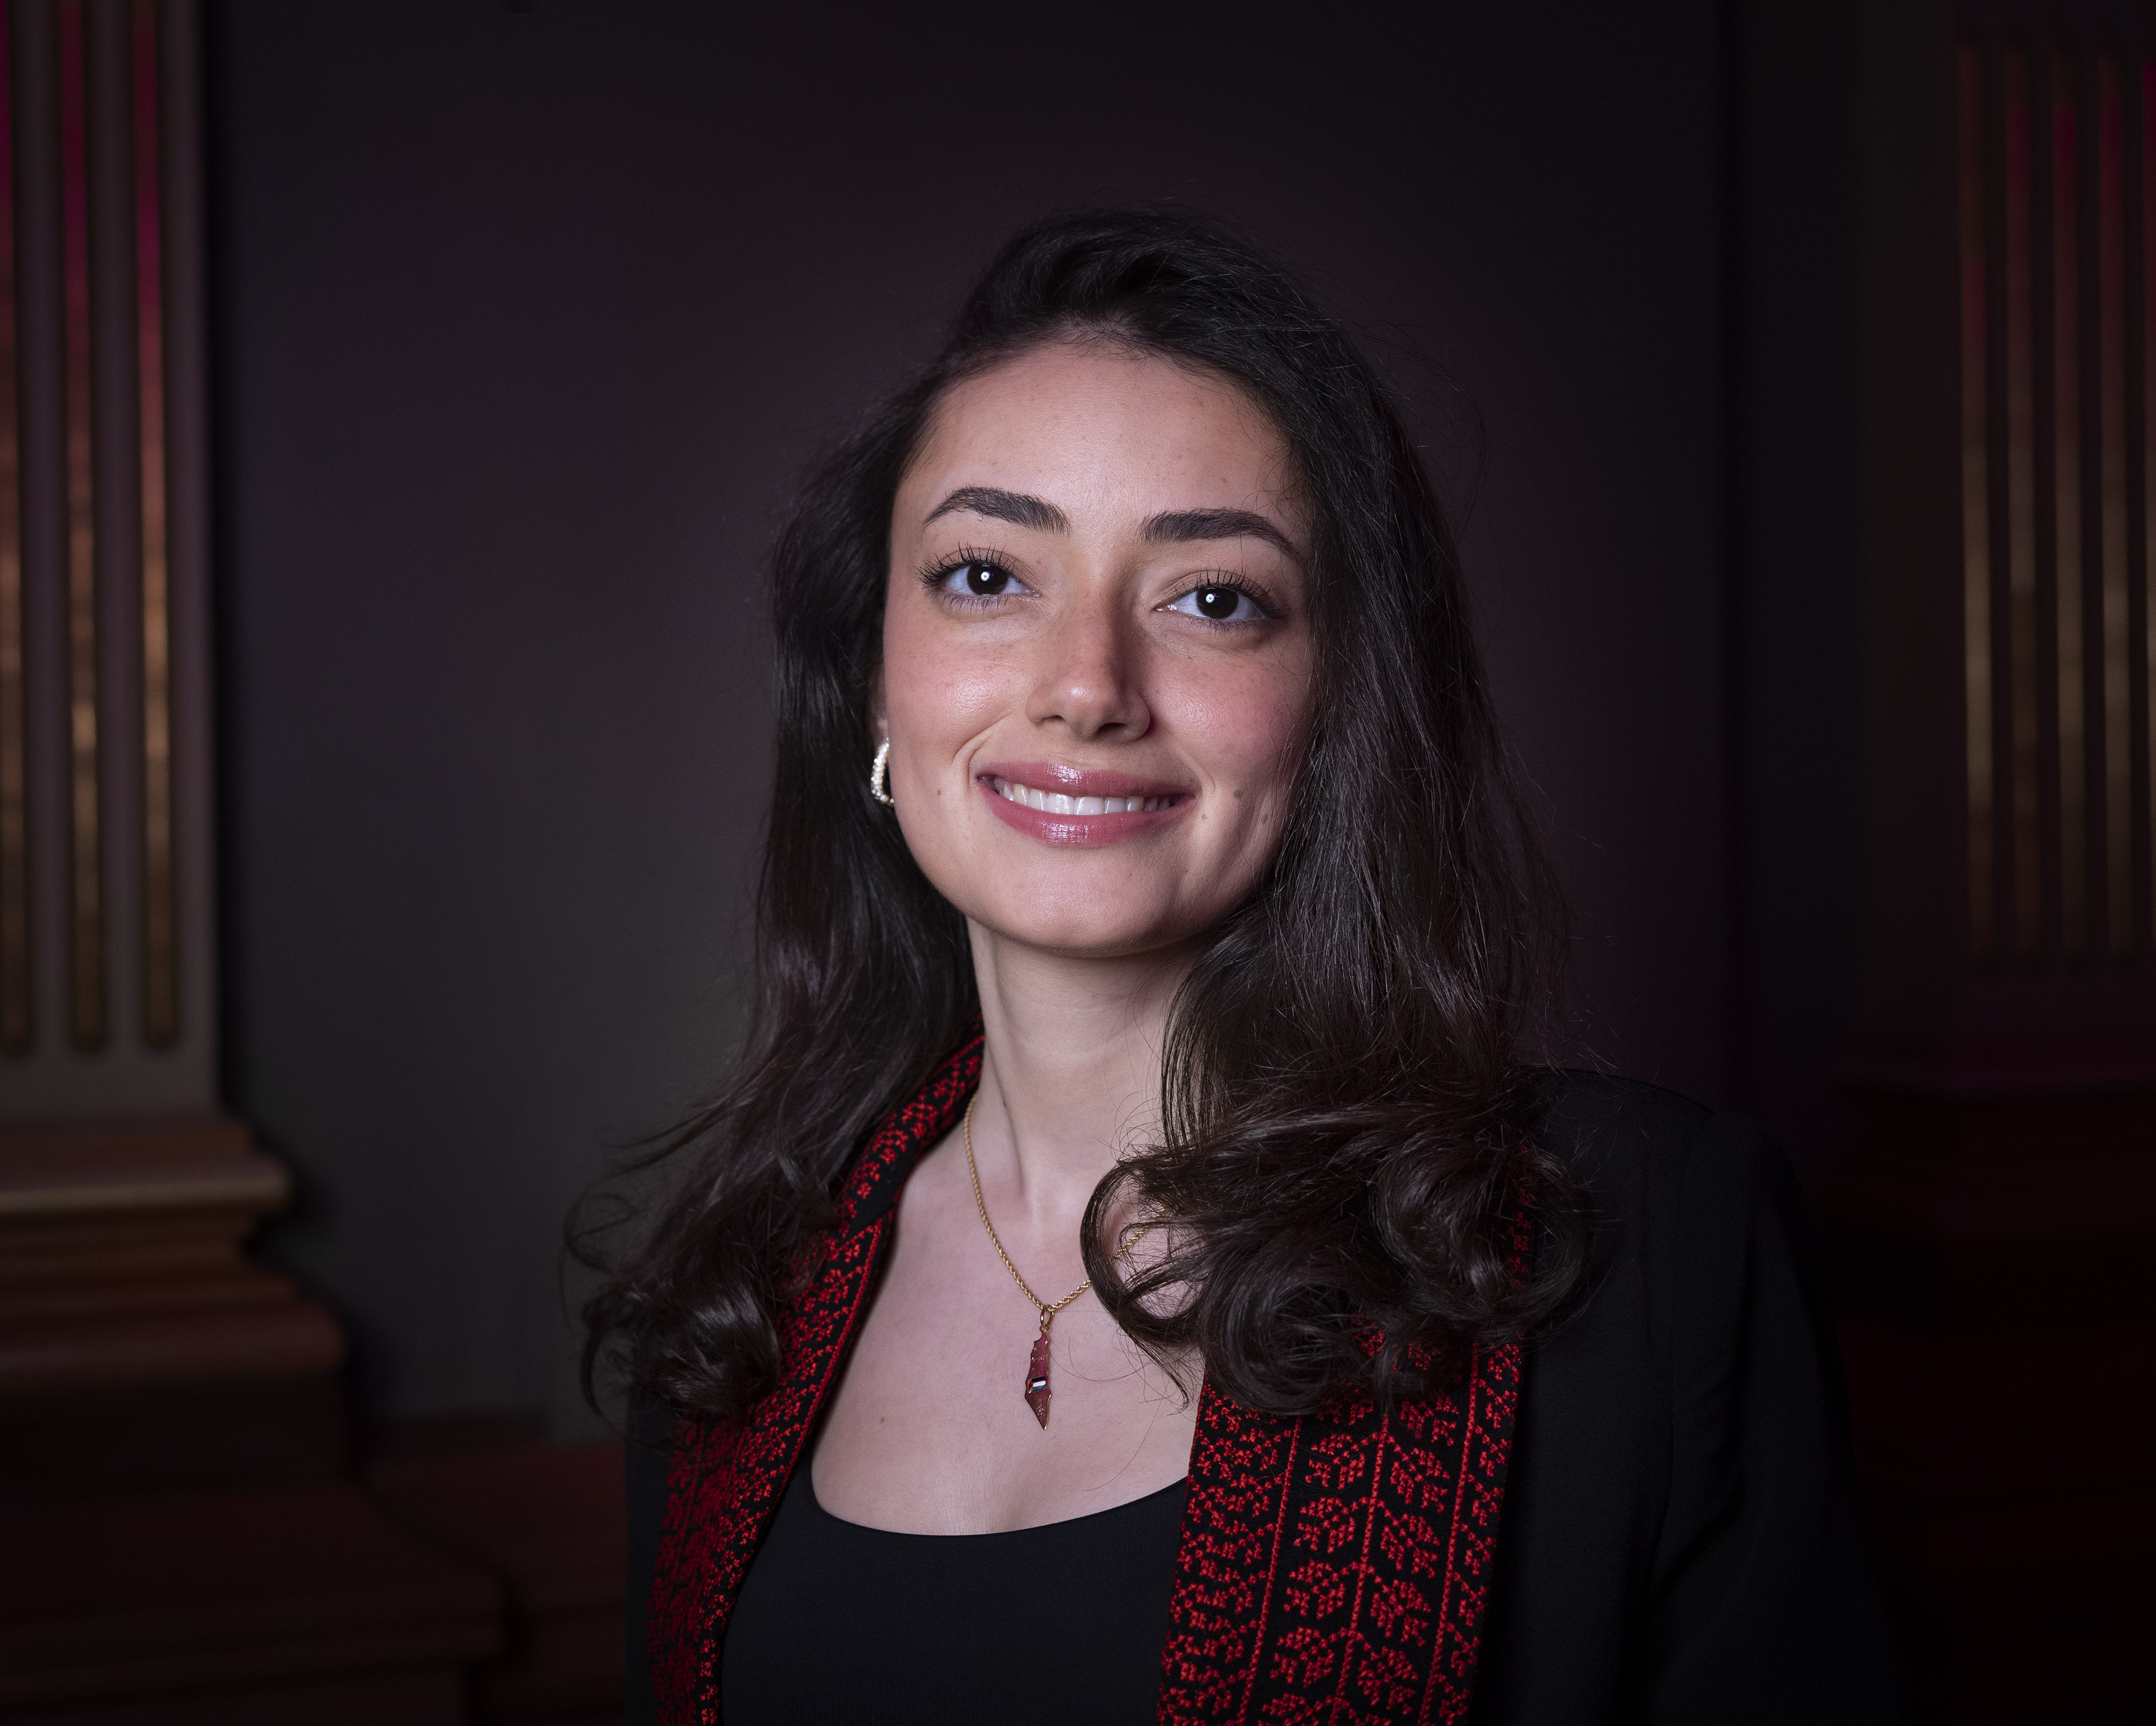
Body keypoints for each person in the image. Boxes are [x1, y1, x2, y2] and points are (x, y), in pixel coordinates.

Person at [582, 210, 1909, 1726]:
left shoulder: (1645, 1245)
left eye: (1214, 597)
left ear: (1338, 700)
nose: (1087, 685)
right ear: (872, 673)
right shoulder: (744, 1289)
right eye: (985, 574)